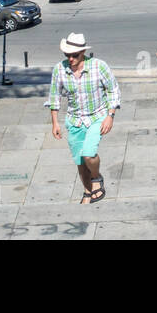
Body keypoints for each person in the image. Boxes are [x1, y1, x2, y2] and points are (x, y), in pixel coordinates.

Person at [46, 33, 120, 204]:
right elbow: (54, 96)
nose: (70, 59)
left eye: (74, 55)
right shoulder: (59, 69)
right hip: (74, 120)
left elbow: (113, 91)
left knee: (88, 154)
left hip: (97, 117)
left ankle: (97, 177)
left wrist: (110, 116)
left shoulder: (99, 66)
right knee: (80, 161)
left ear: (83, 52)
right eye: (67, 55)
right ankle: (88, 192)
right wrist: (55, 122)